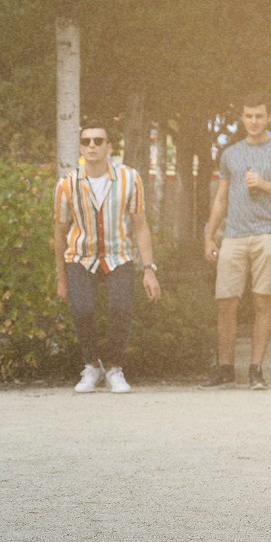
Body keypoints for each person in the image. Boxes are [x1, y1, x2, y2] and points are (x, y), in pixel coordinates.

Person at [200, 95, 271, 390]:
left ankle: (256, 369)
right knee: (226, 302)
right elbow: (221, 197)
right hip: (233, 234)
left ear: (268, 116)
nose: (254, 121)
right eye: (248, 116)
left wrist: (264, 185)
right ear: (242, 118)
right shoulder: (231, 153)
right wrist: (210, 235)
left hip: (267, 233)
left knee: (262, 301)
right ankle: (226, 368)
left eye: (259, 115)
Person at [53, 121, 160, 394]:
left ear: (109, 146)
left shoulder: (128, 178)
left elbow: (140, 224)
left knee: (121, 308)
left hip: (118, 255)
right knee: (82, 310)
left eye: (98, 141)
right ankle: (92, 364)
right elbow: (60, 232)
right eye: (87, 141)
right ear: (80, 147)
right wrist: (61, 277)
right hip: (80, 255)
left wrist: (149, 268)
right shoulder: (67, 184)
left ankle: (114, 367)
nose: (92, 146)